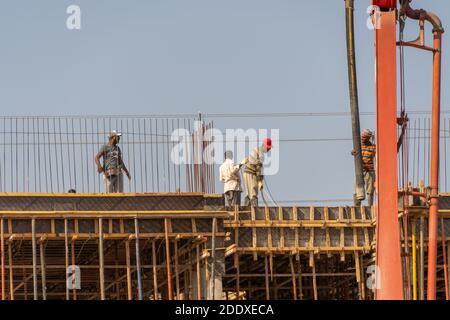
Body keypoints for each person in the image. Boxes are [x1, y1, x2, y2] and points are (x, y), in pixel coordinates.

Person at [243, 138, 272, 207]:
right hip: (251, 173)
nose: (269, 150)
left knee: (248, 193)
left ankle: (246, 209)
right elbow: (258, 168)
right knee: (253, 193)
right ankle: (255, 211)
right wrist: (259, 181)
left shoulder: (256, 149)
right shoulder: (261, 154)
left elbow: (248, 159)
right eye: (268, 148)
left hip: (246, 172)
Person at [352, 129, 376, 206]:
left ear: (368, 138)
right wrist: (353, 152)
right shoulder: (359, 146)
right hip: (360, 170)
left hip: (369, 171)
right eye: (362, 137)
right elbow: (354, 152)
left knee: (370, 190)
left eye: (365, 137)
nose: (363, 138)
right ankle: (357, 206)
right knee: (357, 189)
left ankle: (370, 206)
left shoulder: (372, 147)